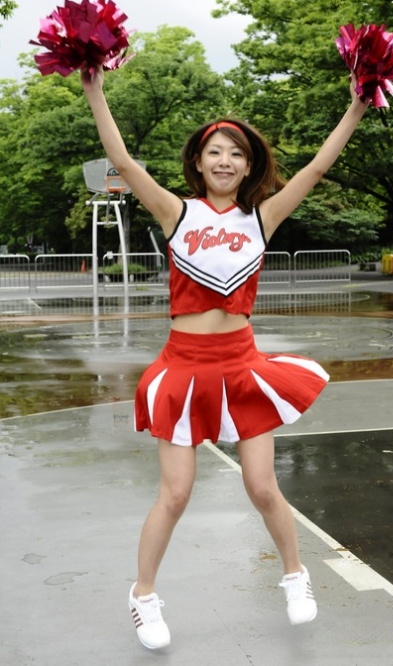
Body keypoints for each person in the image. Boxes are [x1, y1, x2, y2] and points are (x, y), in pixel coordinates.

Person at [81, 66, 367, 650]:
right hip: (183, 366)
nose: (224, 160)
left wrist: (358, 108)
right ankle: (142, 594)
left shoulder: (261, 218)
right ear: (199, 161)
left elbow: (316, 168)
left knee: (263, 487)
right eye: (214, 151)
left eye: (235, 153)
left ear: (249, 165)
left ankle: (295, 575)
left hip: (241, 366)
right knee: (176, 493)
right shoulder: (175, 213)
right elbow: (126, 163)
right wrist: (95, 91)